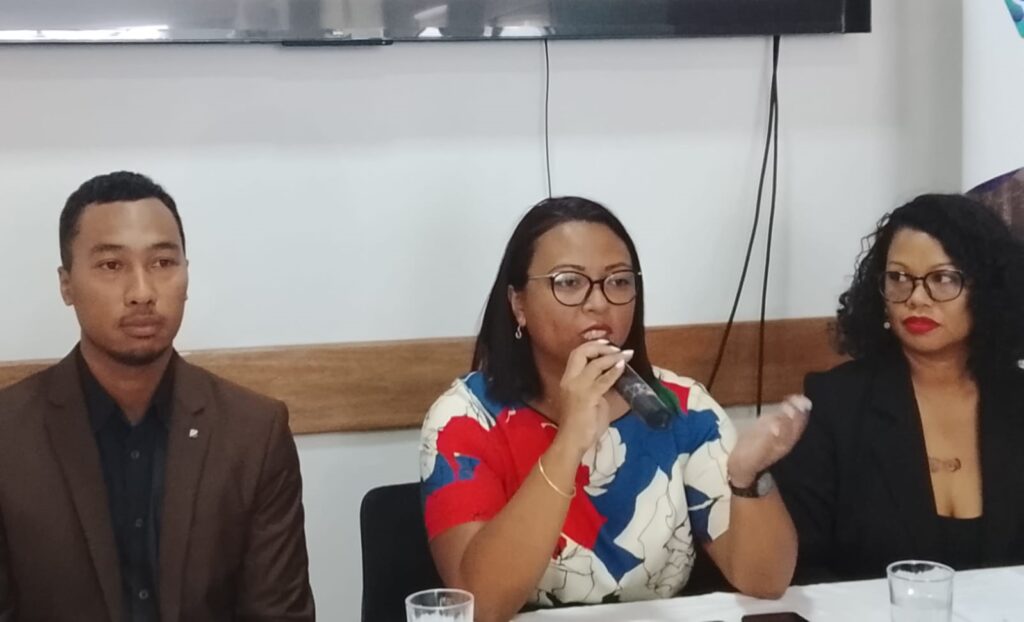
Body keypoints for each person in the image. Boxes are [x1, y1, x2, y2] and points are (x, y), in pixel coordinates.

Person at [419, 196, 811, 621]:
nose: (599, 302)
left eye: (619, 281)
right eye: (569, 282)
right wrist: (569, 440)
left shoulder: (683, 408)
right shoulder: (463, 419)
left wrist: (747, 478)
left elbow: (766, 581)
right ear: (518, 304)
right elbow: (479, 606)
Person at [0, 171, 315, 621]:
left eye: (163, 263)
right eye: (112, 265)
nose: (142, 293)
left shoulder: (253, 433)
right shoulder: (9, 436)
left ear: (187, 274)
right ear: (66, 284)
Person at [775, 194, 1024, 584]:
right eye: (899, 278)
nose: (916, 298)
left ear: (987, 290)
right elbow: (798, 568)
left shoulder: (1015, 400)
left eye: (943, 279)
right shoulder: (834, 404)